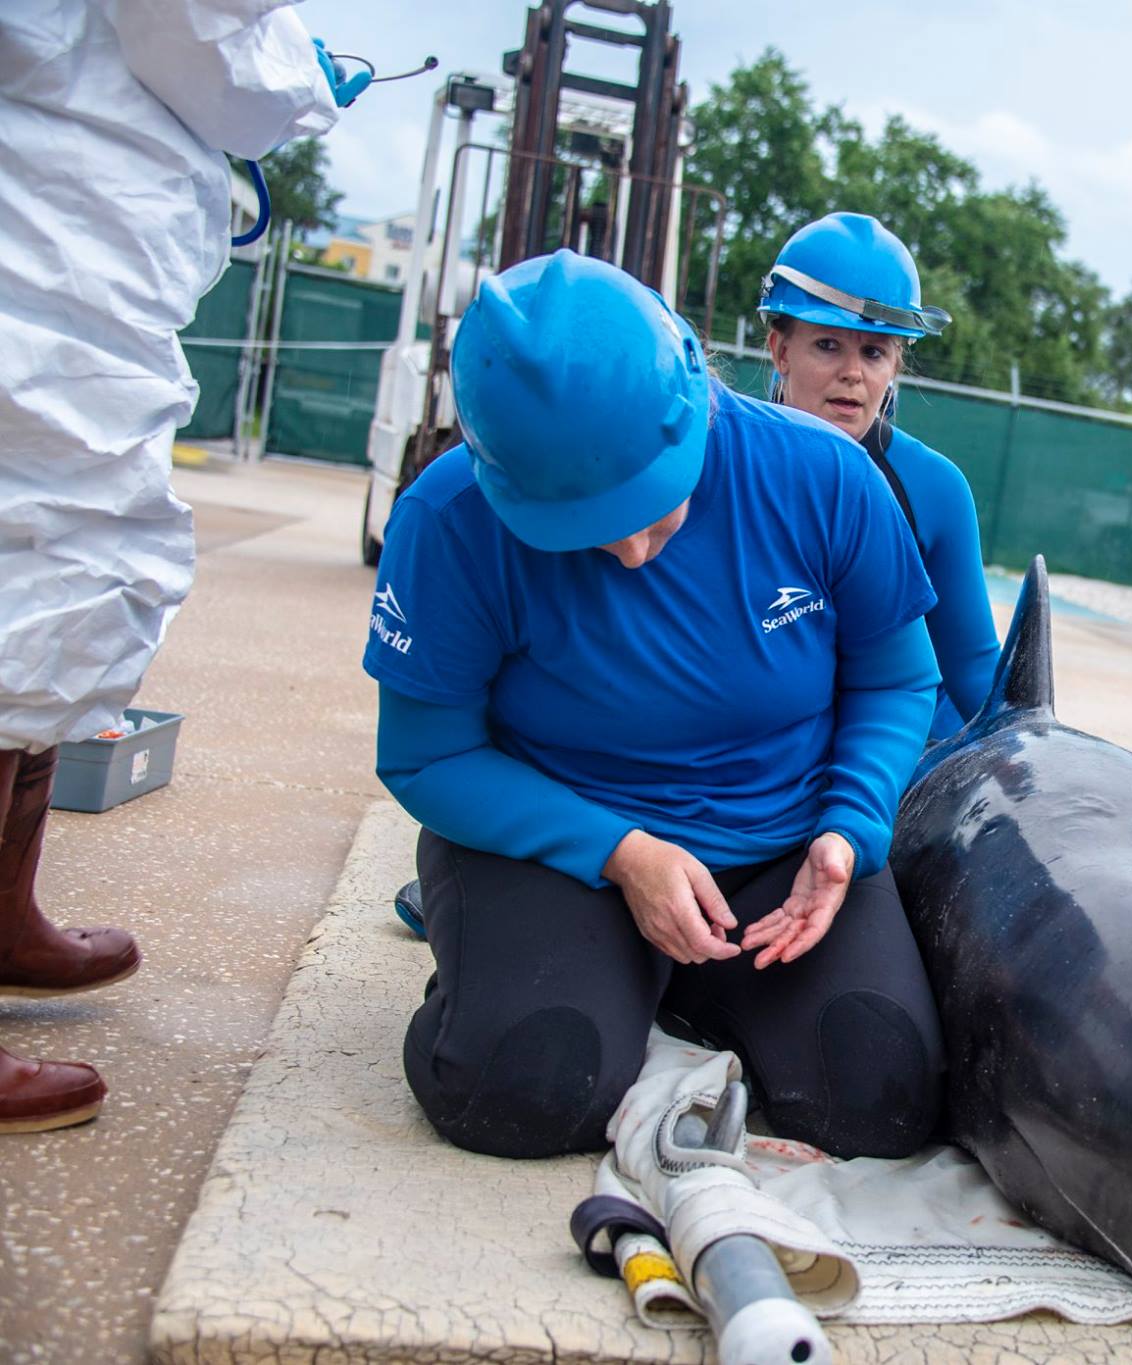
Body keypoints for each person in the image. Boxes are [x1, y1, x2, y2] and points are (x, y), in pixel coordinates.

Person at [364, 250, 948, 1161]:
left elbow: (896, 677)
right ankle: (531, 969)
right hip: (565, 845)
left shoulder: (826, 476)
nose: (633, 551)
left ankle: (669, 989)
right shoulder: (448, 519)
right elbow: (425, 754)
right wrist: (621, 853)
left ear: (696, 405)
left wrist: (848, 828)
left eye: (654, 505)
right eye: (587, 529)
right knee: (520, 1089)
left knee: (881, 1094)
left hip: (778, 848)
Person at [0, 0, 347, 1132]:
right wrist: (303, 75)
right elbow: (200, 41)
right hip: (53, 234)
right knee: (28, 578)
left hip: (79, 219)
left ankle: (7, 910)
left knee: (52, 590)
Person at [759, 212, 1000, 740]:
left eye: (873, 352)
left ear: (895, 366)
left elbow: (980, 676)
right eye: (828, 345)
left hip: (904, 766)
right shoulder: (721, 462)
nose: (853, 373)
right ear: (780, 351)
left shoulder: (932, 490)